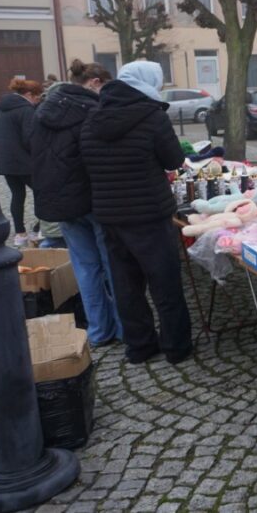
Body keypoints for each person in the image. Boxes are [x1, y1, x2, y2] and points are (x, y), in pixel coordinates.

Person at [80, 60, 191, 364]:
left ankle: (140, 347)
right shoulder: (153, 117)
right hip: (150, 214)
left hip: (110, 215)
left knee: (126, 285)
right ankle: (176, 347)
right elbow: (173, 160)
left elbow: (85, 162)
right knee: (165, 282)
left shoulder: (92, 117)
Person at [31, 60, 122, 346]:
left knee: (85, 269)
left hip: (61, 203)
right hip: (93, 199)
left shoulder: (43, 112)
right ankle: (124, 329)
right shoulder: (93, 110)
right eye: (105, 86)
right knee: (112, 266)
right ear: (95, 82)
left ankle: (98, 330)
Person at [0, 78, 42, 245]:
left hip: (6, 162)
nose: (37, 101)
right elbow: (30, 138)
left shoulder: (0, 109)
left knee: (17, 195)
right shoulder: (26, 110)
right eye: (37, 97)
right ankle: (39, 229)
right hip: (26, 162)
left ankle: (20, 234)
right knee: (42, 192)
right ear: (28, 95)